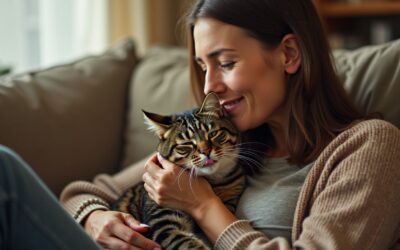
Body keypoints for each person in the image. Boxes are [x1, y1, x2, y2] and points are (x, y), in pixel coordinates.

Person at [1, 0, 399, 249]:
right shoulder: (219, 140)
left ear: (289, 54)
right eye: (202, 66)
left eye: (225, 63)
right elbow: (83, 192)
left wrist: (204, 207)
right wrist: (97, 219)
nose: (210, 85)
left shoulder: (368, 147)